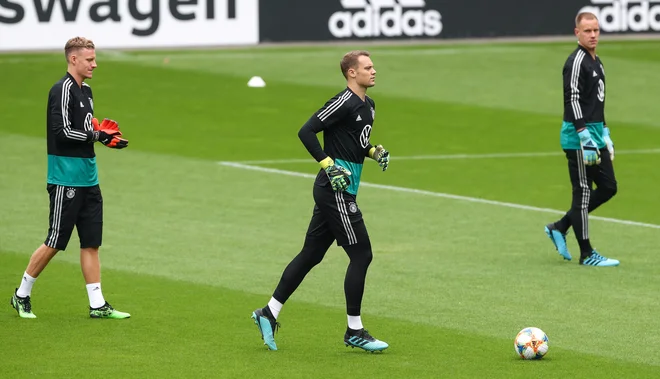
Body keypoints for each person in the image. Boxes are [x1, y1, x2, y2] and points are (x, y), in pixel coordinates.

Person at [251, 50, 390, 352]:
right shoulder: (343, 102)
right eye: (367, 67)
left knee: (311, 254)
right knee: (362, 255)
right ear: (352, 73)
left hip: (343, 188)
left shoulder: (369, 105)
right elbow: (306, 131)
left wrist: (372, 152)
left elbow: (355, 142)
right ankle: (354, 331)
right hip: (335, 189)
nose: (373, 70)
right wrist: (327, 163)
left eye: (373, 66)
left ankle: (269, 312)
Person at [10, 37, 131, 319]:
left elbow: (84, 128)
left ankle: (97, 305)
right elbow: (62, 131)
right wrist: (97, 135)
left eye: (94, 58)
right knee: (55, 240)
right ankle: (21, 295)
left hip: (89, 177)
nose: (94, 64)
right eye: (89, 60)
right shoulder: (61, 90)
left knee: (91, 242)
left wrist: (101, 134)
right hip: (66, 178)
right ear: (73, 59)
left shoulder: (86, 91)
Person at [544, 12, 619, 267]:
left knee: (609, 187)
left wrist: (605, 133)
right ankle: (586, 253)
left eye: (596, 30)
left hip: (595, 135)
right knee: (583, 193)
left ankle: (561, 226)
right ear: (577, 33)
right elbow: (572, 99)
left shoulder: (597, 62)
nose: (593, 35)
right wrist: (583, 135)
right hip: (579, 139)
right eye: (587, 31)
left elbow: (598, 103)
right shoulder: (576, 62)